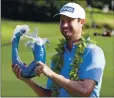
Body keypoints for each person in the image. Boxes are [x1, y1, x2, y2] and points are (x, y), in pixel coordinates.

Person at [12, 2, 105, 97]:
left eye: (69, 20)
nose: (64, 25)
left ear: (81, 22)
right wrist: (27, 80)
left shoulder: (93, 52)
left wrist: (52, 74)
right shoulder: (59, 57)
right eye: (62, 21)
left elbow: (85, 90)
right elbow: (50, 95)